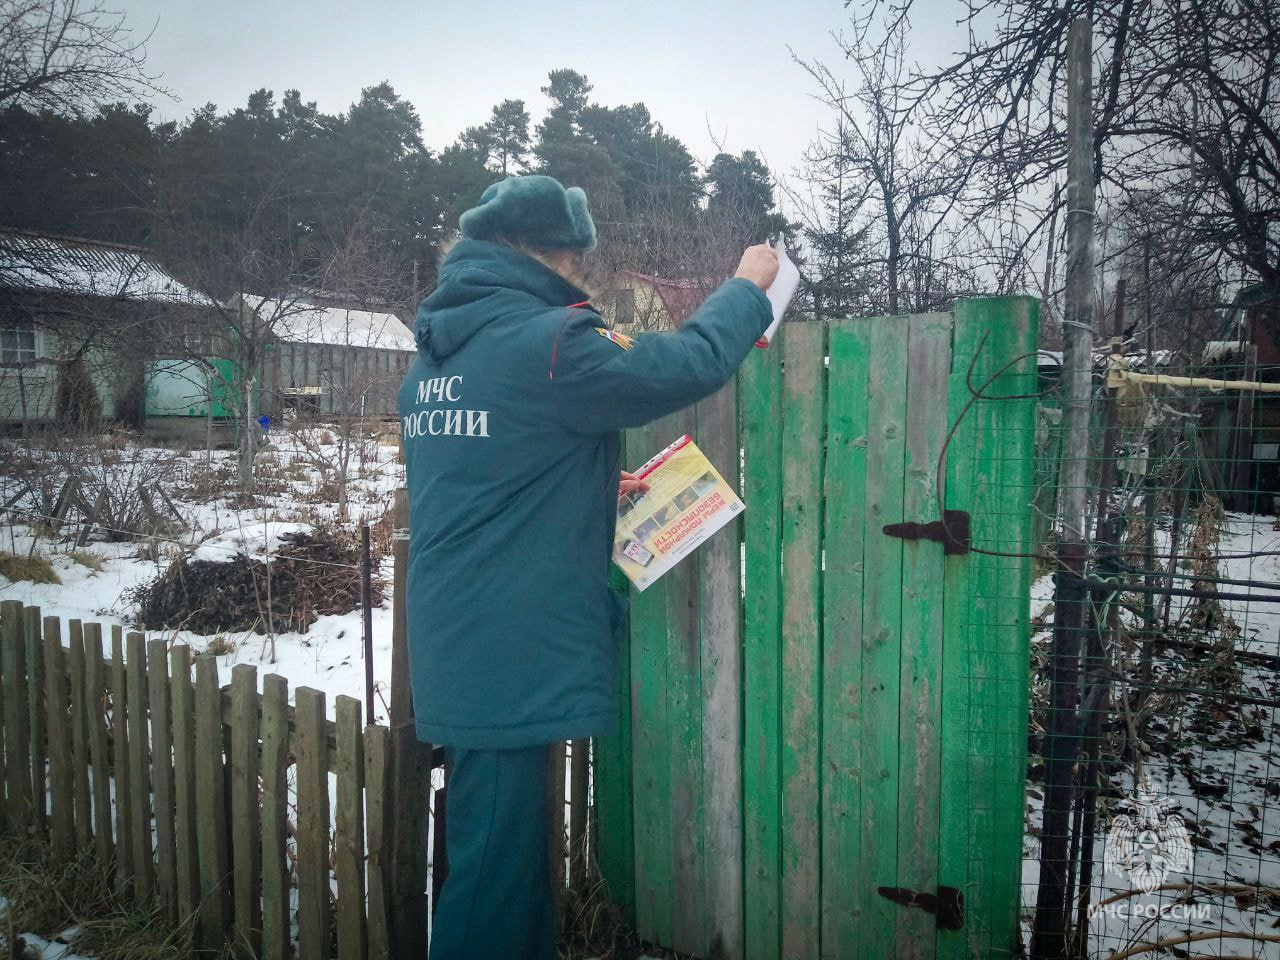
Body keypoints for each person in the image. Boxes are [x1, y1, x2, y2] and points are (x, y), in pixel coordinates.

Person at [397, 174, 778, 959]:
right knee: (492, 882)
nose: (583, 278)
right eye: (580, 264)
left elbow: (492, 470)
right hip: (508, 646)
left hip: (462, 631)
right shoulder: (552, 342)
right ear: (557, 255)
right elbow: (689, 362)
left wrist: (591, 480)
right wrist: (748, 288)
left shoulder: (440, 352)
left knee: (498, 859)